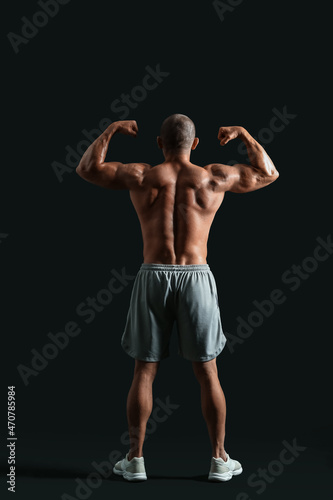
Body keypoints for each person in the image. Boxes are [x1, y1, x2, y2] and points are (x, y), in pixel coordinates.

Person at [76, 114, 279, 482]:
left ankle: (135, 460)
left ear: (159, 143)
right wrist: (245, 134)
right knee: (208, 372)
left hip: (153, 274)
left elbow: (87, 168)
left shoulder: (142, 175)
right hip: (196, 275)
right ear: (195, 143)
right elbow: (268, 173)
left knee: (144, 370)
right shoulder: (212, 176)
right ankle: (219, 460)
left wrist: (111, 130)